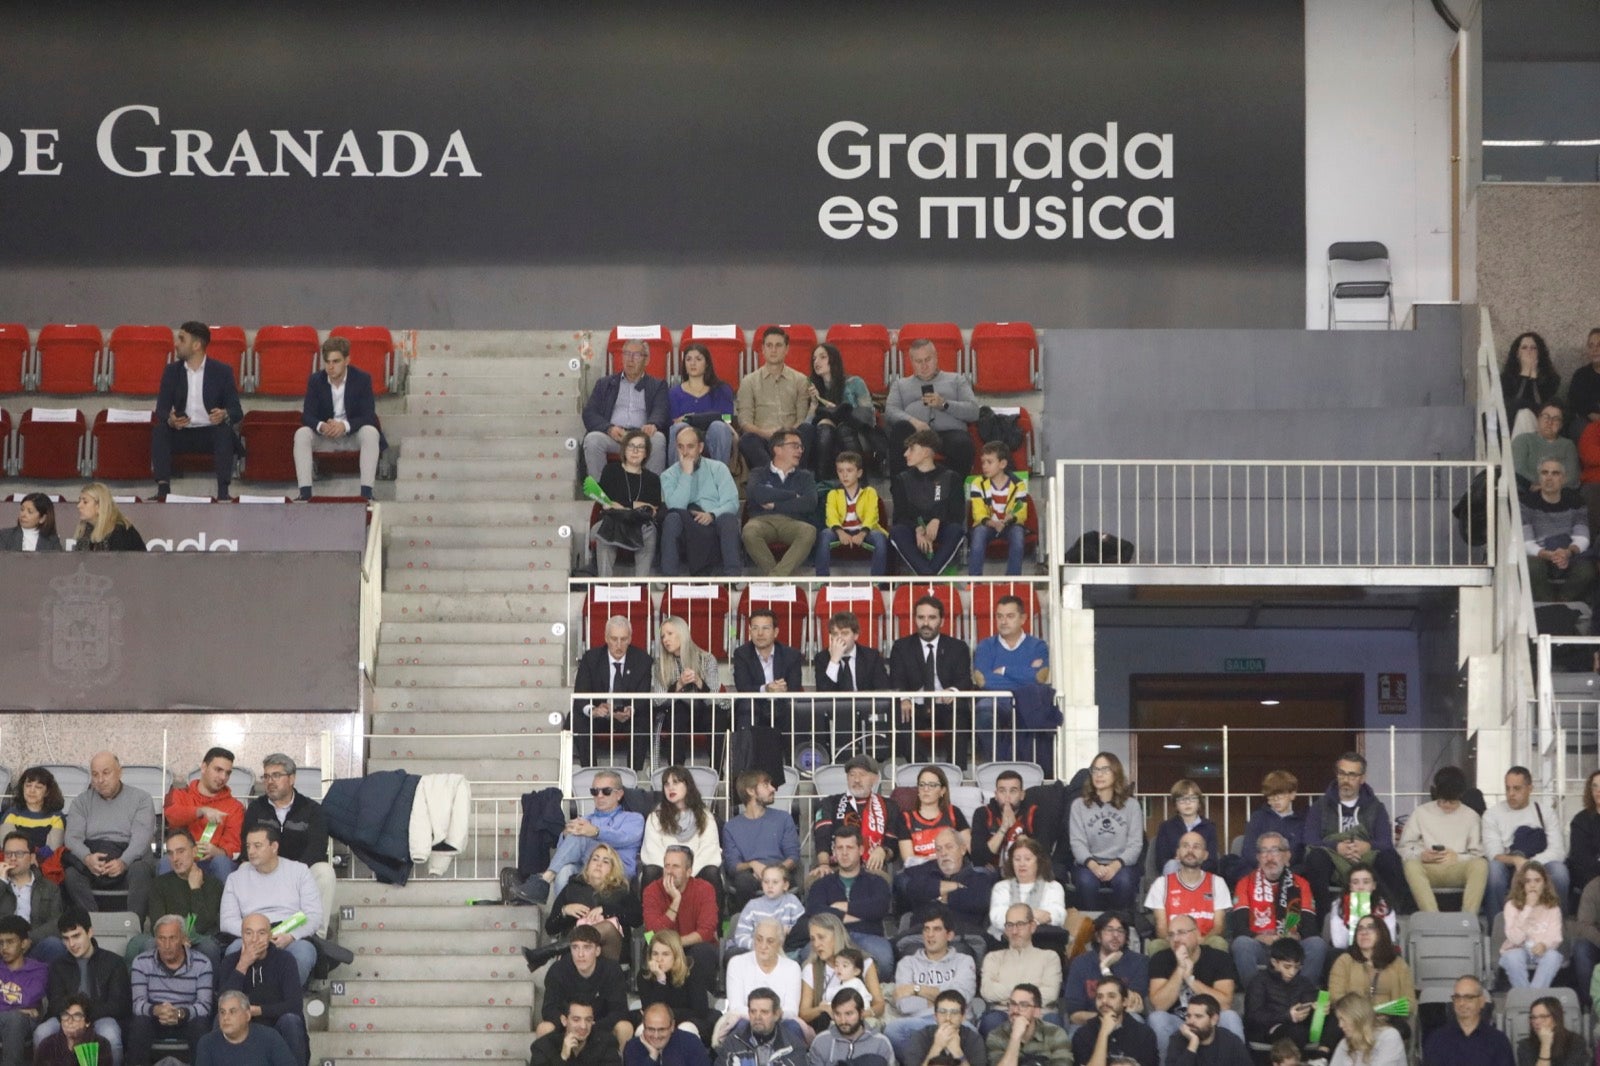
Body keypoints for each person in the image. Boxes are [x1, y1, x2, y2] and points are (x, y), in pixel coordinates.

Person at [507, 769, 642, 910]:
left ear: (619, 794)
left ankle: (545, 880)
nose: (599, 796)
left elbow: (624, 837)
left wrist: (595, 832)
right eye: (595, 792)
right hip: (587, 868)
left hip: (618, 870)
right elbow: (564, 852)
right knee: (565, 869)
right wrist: (565, 835)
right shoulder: (585, 819)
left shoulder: (633, 818)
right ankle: (564, 918)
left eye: (606, 791)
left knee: (580, 835)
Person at [1301, 753, 1410, 918]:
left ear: (1362, 778)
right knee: (1315, 858)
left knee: (1390, 858)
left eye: (1352, 775)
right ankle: (1322, 920)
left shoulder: (1376, 807)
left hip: (1365, 860)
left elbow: (1385, 842)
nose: (1346, 779)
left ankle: (1391, 918)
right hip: (1333, 861)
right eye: (1342, 773)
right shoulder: (1320, 806)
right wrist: (1336, 847)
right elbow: (1309, 838)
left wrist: (1367, 847)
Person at [243, 754, 334, 938]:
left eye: (276, 775)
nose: (270, 781)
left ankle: (317, 936)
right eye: (266, 776)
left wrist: (291, 875)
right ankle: (253, 931)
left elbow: (316, 848)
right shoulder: (255, 809)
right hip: (265, 872)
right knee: (245, 867)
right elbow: (247, 845)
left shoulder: (312, 810)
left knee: (325, 871)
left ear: (292, 779)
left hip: (301, 874)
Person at [219, 825, 323, 987]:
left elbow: (313, 915)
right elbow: (226, 921)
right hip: (251, 935)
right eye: (248, 846)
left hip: (288, 934)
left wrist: (291, 936)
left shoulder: (299, 871)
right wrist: (258, 935)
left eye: (257, 846)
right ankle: (244, 1005)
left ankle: (286, 1003)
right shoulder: (235, 879)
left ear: (274, 847)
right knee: (234, 950)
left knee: (304, 953)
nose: (251, 851)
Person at [151, 321, 244, 500]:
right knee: (160, 430)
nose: (176, 344)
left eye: (181, 339)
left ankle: (223, 492)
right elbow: (161, 410)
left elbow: (236, 411)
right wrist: (170, 419)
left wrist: (224, 414)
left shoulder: (222, 371)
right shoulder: (171, 372)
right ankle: (163, 489)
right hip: (181, 433)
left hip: (210, 433)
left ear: (196, 345)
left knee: (224, 431)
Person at [61, 752, 155, 920]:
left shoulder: (141, 799)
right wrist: (87, 858)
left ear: (120, 772)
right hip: (92, 859)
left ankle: (133, 927)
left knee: (141, 870)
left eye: (106, 773)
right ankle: (92, 923)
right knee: (70, 875)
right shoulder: (81, 801)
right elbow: (72, 838)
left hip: (128, 857)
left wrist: (123, 862)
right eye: (95, 774)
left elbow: (142, 838)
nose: (100, 780)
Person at [1227, 831, 1325, 991]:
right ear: (1258, 858)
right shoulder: (1245, 883)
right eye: (1264, 852)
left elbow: (1310, 927)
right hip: (1261, 945)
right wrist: (1262, 938)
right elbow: (1239, 927)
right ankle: (1256, 995)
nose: (1269, 857)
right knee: (1241, 944)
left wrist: (1294, 936)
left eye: (1275, 850)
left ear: (1287, 856)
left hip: (1292, 945)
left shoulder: (1301, 884)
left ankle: (1299, 994)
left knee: (1317, 944)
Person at [293, 334, 384, 500]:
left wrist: (345, 426)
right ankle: (305, 493)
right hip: (325, 437)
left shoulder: (362, 379)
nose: (330, 366)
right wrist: (322, 426)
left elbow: (368, 415)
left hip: (352, 435)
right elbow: (307, 416)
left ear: (347, 360)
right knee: (302, 434)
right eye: (327, 362)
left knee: (371, 432)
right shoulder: (316, 380)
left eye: (336, 361)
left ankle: (366, 494)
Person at [34, 911, 129, 1066]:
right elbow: (55, 1004)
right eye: (66, 938)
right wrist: (72, 1018)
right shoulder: (58, 965)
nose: (71, 944)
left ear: (90, 932)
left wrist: (83, 1016)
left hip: (102, 1017)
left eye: (76, 936)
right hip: (65, 1017)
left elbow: (119, 1005)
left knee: (110, 1034)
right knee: (42, 1033)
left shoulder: (114, 962)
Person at [883, 906, 977, 1061]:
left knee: (971, 1033)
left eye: (937, 929)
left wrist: (916, 989)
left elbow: (960, 998)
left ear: (950, 935)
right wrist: (944, 997)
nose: (930, 935)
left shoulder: (964, 961)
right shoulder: (907, 963)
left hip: (956, 1022)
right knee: (891, 1031)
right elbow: (905, 1005)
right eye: (926, 929)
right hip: (919, 1023)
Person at [887, 596, 972, 765]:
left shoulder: (958, 647)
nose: (926, 623)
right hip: (914, 705)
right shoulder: (901, 646)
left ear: (942, 620)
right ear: (915, 619)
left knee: (959, 711)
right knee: (898, 713)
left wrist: (953, 691)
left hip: (945, 704)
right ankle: (920, 768)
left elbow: (965, 680)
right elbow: (896, 678)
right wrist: (904, 698)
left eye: (932, 617)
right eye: (921, 617)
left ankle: (956, 770)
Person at [799, 828, 894, 978]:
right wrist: (853, 916)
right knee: (806, 956)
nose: (844, 853)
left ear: (861, 850)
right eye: (839, 848)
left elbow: (880, 907)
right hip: (831, 937)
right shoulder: (821, 883)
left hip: (868, 936)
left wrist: (844, 907)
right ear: (834, 851)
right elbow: (815, 911)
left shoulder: (877, 881)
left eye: (849, 847)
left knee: (884, 959)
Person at [1145, 915, 1244, 1058]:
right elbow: (1159, 1005)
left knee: (1230, 1017)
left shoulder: (1219, 958)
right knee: (1157, 1018)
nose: (1176, 939)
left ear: (1197, 934)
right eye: (1171, 935)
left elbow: (1224, 1004)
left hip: (1209, 1021)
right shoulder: (1160, 959)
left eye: (1181, 932)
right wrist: (1180, 969)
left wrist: (1190, 980)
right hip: (1177, 1021)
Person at [220, 912, 309, 1066]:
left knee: (291, 1020)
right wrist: (243, 964)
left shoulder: (285, 960)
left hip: (276, 1023)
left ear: (269, 936)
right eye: (249, 933)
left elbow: (294, 1005)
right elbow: (223, 1003)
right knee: (221, 1020)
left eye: (261, 933)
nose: (254, 939)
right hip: (244, 1026)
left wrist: (257, 1010)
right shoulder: (230, 961)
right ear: (242, 936)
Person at [971, 597, 1051, 764]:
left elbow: (1039, 677)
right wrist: (1026, 674)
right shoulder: (986, 646)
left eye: (1010, 616)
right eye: (999, 616)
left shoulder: (1038, 646)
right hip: (995, 701)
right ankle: (997, 765)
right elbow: (983, 681)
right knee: (983, 712)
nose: (1003, 621)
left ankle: (1034, 769)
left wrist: (1004, 671)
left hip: (1028, 701)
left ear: (1023, 618)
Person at [1399, 765, 1488, 913]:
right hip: (1429, 867)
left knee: (1481, 866)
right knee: (1410, 866)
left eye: (1452, 802)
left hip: (1457, 869)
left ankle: (1468, 918)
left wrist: (1457, 857)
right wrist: (1421, 854)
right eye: (1443, 801)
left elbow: (1478, 853)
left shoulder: (1471, 816)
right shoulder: (1421, 813)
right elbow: (1404, 847)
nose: (1447, 805)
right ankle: (1432, 916)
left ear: (1460, 796)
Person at [125, 914, 212, 1066]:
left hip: (186, 1018)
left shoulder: (202, 963)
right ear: (155, 940)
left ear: (183, 939)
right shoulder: (141, 962)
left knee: (201, 1025)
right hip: (155, 1018)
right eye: (161, 938)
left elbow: (205, 1006)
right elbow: (138, 1004)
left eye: (172, 938)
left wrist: (180, 1013)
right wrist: (156, 1010)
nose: (166, 945)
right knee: (138, 1025)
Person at [885, 339, 979, 478]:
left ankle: (949, 488)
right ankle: (902, 491)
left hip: (949, 434)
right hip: (915, 434)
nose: (924, 366)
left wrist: (944, 404)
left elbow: (974, 412)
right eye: (918, 361)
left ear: (936, 357)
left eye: (927, 359)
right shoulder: (900, 384)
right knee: (900, 430)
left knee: (962, 444)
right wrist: (914, 422)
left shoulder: (957, 380)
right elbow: (890, 411)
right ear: (911, 362)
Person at [1483, 766, 1569, 916]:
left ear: (1530, 788)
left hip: (1540, 861)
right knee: (1494, 870)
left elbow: (1558, 851)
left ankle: (1556, 926)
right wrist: (1515, 860)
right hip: (1508, 864)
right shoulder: (1492, 814)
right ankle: (1496, 929)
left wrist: (1530, 864)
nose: (1511, 794)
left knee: (1560, 872)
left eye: (1517, 788)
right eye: (1507, 788)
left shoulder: (1545, 812)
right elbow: (1493, 854)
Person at [132, 829, 222, 971]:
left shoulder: (213, 884)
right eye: (171, 853)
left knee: (209, 947)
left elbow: (203, 925)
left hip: (200, 940)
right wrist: (178, 938)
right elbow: (158, 922)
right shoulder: (159, 884)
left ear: (194, 851)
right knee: (148, 944)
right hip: (168, 938)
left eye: (181, 851)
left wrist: (195, 889)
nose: (175, 858)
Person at [570, 616, 653, 769]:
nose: (619, 645)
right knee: (577, 717)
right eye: (614, 639)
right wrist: (593, 710)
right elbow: (580, 695)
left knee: (644, 719)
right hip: (600, 715)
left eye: (624, 639)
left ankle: (634, 774)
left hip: (627, 717)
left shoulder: (643, 660)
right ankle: (589, 771)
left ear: (630, 639)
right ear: (606, 638)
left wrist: (631, 710)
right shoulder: (591, 658)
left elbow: (643, 696)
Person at [659, 427, 743, 577]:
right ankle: (668, 578)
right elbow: (675, 507)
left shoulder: (718, 468)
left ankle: (733, 576)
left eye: (690, 446)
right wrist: (686, 474)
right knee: (672, 518)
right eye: (680, 447)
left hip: (713, 520)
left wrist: (712, 514)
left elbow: (732, 503)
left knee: (729, 520)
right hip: (687, 523)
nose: (685, 453)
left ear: (700, 447)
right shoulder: (668, 475)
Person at [535, 926, 633, 1052]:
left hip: (600, 1026)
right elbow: (549, 1009)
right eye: (575, 947)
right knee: (544, 1028)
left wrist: (590, 1026)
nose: (580, 954)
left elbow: (619, 1011)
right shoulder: (558, 970)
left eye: (587, 947)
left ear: (597, 951)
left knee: (625, 1027)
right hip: (567, 1027)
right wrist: (571, 1025)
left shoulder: (612, 970)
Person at [582, 338, 669, 478]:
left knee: (658, 439)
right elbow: (589, 413)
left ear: (646, 360)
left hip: (642, 435)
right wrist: (609, 428)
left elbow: (661, 410)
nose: (630, 359)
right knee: (592, 439)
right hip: (614, 435)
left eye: (636, 355)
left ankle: (652, 493)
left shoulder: (657, 385)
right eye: (627, 354)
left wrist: (652, 423)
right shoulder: (604, 384)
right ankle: (601, 494)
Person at [542, 845, 643, 964]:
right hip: (575, 959)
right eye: (595, 859)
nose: (599, 864)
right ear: (588, 864)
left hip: (610, 957)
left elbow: (638, 919)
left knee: (606, 927)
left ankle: (553, 950)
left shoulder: (622, 890)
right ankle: (561, 949)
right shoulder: (572, 888)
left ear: (613, 868)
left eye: (605, 861)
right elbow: (550, 928)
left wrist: (606, 910)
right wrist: (565, 911)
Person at [1069, 752, 1144, 911]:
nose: (1099, 775)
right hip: (1088, 865)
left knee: (1124, 882)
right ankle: (1091, 929)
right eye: (1095, 770)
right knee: (1086, 883)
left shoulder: (1131, 805)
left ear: (1116, 773)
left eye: (1105, 770)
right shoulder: (1079, 805)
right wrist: (1094, 866)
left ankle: (1121, 927)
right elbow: (1077, 843)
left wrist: (1115, 866)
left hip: (1122, 865)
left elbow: (1135, 844)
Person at [735, 327, 815, 473]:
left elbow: (801, 418)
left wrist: (787, 436)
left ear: (786, 349)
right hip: (763, 439)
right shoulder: (749, 381)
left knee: (807, 429)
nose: (773, 350)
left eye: (778, 345)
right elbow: (745, 422)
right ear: (763, 349)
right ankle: (775, 477)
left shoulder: (800, 380)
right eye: (769, 345)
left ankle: (794, 476)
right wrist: (766, 433)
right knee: (747, 440)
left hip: (792, 437)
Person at [811, 757, 900, 887]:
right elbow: (822, 837)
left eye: (862, 775)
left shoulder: (889, 806)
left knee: (881, 883)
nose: (856, 780)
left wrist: (883, 851)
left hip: (871, 868)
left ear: (875, 779)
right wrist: (824, 864)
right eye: (852, 775)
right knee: (815, 881)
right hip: (835, 866)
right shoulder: (830, 803)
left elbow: (892, 842)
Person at [742, 428, 818, 577]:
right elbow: (755, 494)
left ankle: (775, 578)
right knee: (749, 531)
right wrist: (793, 495)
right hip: (762, 521)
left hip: (793, 522)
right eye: (795, 446)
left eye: (801, 447)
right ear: (778, 449)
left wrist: (776, 504)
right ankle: (782, 579)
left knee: (809, 531)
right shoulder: (758, 473)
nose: (800, 451)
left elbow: (810, 503)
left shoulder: (805, 476)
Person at [811, 611, 891, 752]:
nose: (839, 638)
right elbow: (823, 694)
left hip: (867, 713)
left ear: (856, 635)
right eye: (835, 634)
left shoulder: (871, 656)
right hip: (835, 715)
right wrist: (834, 661)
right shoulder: (822, 658)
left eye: (845, 633)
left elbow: (883, 690)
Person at [888, 430, 966, 575]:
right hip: (912, 529)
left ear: (925, 452)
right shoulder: (901, 479)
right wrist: (918, 528)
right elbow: (900, 515)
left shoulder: (951, 477)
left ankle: (928, 574)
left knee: (955, 529)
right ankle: (927, 573)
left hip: (942, 528)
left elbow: (957, 513)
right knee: (897, 531)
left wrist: (937, 520)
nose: (905, 454)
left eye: (911, 449)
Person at [161, 746, 244, 881]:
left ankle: (226, 903)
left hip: (213, 861)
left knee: (222, 862)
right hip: (182, 858)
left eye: (228, 773)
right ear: (204, 767)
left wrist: (217, 852)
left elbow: (234, 845)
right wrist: (200, 811)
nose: (223, 777)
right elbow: (172, 815)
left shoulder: (235, 807)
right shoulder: (178, 794)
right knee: (166, 861)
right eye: (218, 770)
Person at [977, 903, 1062, 1035]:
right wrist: (1033, 991)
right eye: (1010, 925)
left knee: (1053, 1022)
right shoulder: (993, 958)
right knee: (990, 1021)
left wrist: (1007, 995)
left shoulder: (1050, 957)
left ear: (1032, 926)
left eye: (1020, 924)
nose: (1014, 931)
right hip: (1004, 1014)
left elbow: (1051, 994)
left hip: (1040, 1014)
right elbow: (987, 991)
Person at [723, 771, 801, 911]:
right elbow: (733, 866)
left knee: (779, 880)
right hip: (750, 877)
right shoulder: (731, 827)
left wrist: (773, 872)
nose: (772, 789)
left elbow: (793, 857)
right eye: (766, 785)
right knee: (743, 881)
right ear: (751, 791)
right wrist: (752, 864)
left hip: (780, 872)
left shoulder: (783, 819)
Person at [1326, 917, 1413, 1042]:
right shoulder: (1344, 960)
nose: (1363, 932)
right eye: (1360, 929)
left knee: (1400, 1030)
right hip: (1353, 1017)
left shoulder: (1398, 964)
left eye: (1370, 928)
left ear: (1381, 933)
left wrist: (1383, 1014)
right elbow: (1336, 996)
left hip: (1387, 1019)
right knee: (1336, 1024)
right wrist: (1364, 1014)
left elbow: (1409, 1003)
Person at [589, 429, 663, 577]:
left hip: (639, 524)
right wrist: (635, 505)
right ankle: (604, 585)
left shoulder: (653, 479)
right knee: (604, 530)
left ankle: (641, 586)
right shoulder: (610, 471)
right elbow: (606, 503)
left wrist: (623, 505)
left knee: (650, 531)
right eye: (631, 446)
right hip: (611, 520)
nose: (635, 451)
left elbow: (652, 510)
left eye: (640, 447)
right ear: (624, 450)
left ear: (646, 453)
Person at [897, 829, 995, 940]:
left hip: (963, 938)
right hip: (920, 938)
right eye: (939, 849)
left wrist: (937, 893)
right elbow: (912, 889)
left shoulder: (979, 878)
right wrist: (956, 887)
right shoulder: (923, 872)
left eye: (949, 847)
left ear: (963, 849)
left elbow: (980, 901)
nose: (943, 853)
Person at [642, 846, 721, 983]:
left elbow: (706, 932)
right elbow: (653, 932)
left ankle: (703, 997)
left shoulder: (705, 889)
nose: (670, 871)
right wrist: (676, 901)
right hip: (661, 945)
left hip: (693, 945)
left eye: (676, 866)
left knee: (704, 951)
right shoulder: (652, 890)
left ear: (688, 871)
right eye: (667, 866)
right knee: (653, 949)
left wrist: (675, 944)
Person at [1523, 457, 1596, 602]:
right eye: (1544, 473)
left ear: (1563, 478)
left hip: (1568, 552)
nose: (1549, 478)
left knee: (1587, 570)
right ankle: (1547, 603)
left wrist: (1568, 552)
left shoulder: (1576, 500)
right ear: (1539, 477)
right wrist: (1547, 554)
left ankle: (1563, 601)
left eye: (1555, 473)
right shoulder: (1526, 502)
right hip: (1539, 554)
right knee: (1531, 567)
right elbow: (1525, 541)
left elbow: (1582, 536)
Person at [654, 616, 722, 770]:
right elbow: (657, 701)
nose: (666, 639)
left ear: (682, 633)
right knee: (678, 709)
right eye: (663, 636)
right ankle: (677, 771)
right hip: (676, 715)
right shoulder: (660, 664)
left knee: (717, 715)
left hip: (703, 712)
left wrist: (698, 681)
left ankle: (717, 772)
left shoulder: (707, 659)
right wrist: (679, 685)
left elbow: (715, 699)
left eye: (670, 633)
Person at [798, 915, 886, 1032]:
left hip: (861, 1026)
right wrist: (822, 1009)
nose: (816, 944)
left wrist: (861, 1015)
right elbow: (804, 1013)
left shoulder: (864, 962)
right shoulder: (811, 969)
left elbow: (879, 1004)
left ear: (836, 936)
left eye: (821, 937)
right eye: (813, 939)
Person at [1146, 831, 1230, 952]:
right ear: (1178, 853)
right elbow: (1161, 929)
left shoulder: (1217, 882)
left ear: (1205, 855)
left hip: (1204, 943)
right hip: (1173, 944)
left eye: (1196, 847)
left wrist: (1198, 942)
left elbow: (1219, 926)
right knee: (1156, 946)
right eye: (1185, 846)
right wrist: (1178, 943)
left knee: (1219, 943)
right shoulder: (1161, 884)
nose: (1190, 851)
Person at [1064, 912, 1151, 1027]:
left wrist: (1105, 970)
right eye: (1109, 930)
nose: (1115, 935)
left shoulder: (1139, 962)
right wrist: (1104, 1019)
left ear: (1126, 938)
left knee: (1135, 1020)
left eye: (1120, 931)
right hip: (1089, 1025)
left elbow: (1131, 1004)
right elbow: (1075, 1014)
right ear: (1098, 937)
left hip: (1126, 1025)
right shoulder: (1080, 963)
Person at [721, 920, 803, 1040]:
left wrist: (766, 1017)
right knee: (741, 1025)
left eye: (770, 941)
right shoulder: (736, 963)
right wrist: (767, 1015)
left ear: (780, 943)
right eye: (759, 939)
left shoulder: (792, 967)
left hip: (780, 1022)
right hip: (747, 1021)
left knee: (792, 1027)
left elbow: (791, 1010)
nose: (763, 946)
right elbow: (736, 1008)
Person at [640, 770, 723, 888]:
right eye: (666, 784)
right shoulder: (655, 817)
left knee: (711, 872)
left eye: (676, 782)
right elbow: (653, 852)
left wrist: (687, 874)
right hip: (665, 873)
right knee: (650, 871)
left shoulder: (705, 816)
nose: (670, 788)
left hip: (694, 872)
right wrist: (671, 872)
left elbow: (708, 852)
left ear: (688, 786)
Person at [814, 451, 889, 577]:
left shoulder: (869, 492)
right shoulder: (833, 494)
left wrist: (862, 533)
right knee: (824, 535)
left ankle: (877, 581)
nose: (844, 475)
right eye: (840, 471)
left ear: (859, 473)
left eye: (849, 470)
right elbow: (831, 516)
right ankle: (822, 579)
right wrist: (840, 532)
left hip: (866, 530)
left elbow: (872, 515)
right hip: (840, 530)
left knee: (879, 538)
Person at [731, 608, 806, 733]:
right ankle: (746, 752)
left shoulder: (791, 655)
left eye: (765, 628)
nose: (760, 633)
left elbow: (794, 688)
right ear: (749, 631)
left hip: (782, 704)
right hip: (755, 705)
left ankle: (791, 752)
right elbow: (743, 688)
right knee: (746, 706)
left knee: (794, 708)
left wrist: (783, 689)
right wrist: (766, 689)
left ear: (775, 632)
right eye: (755, 628)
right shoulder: (742, 654)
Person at [807, 342, 876, 478]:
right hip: (824, 435)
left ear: (833, 359)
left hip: (855, 431)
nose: (817, 362)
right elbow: (807, 425)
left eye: (822, 357)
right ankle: (823, 484)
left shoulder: (855, 382)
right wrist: (814, 404)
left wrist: (840, 415)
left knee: (844, 429)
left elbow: (868, 415)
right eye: (814, 359)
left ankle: (860, 482)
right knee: (825, 428)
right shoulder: (812, 388)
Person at [987, 837, 1069, 950]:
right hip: (1006, 941)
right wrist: (1031, 915)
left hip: (1042, 941)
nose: (1022, 864)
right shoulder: (1001, 887)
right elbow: (997, 918)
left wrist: (1015, 918)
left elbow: (1057, 916)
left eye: (1027, 859)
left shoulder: (1053, 887)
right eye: (1017, 859)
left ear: (1038, 861)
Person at [1224, 771, 1304, 885]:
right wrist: (1265, 865)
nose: (1275, 799)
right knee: (1231, 863)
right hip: (1258, 868)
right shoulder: (1258, 817)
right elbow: (1248, 849)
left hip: (1287, 871)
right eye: (1271, 795)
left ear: (1292, 794)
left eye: (1280, 794)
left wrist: (1278, 866)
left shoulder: (1300, 822)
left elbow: (1297, 852)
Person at [1242, 939, 1318, 1054]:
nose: (1292, 972)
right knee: (1297, 1032)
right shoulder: (1259, 981)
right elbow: (1253, 1016)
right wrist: (1287, 1016)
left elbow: (1309, 1003)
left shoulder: (1304, 982)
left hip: (1299, 1028)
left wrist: (1318, 1009)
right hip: (1268, 1030)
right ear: (1274, 962)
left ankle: (1322, 1056)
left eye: (1296, 967)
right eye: (1287, 967)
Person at [633, 937, 714, 1045]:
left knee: (685, 1030)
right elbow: (651, 1011)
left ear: (676, 955)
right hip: (658, 1023)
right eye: (655, 954)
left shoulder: (692, 971)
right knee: (641, 1031)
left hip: (689, 1021)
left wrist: (667, 1016)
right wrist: (660, 980)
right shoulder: (644, 976)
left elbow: (700, 1011)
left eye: (665, 954)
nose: (659, 959)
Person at [1420, 975, 1514, 1066]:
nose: (1461, 1003)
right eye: (1457, 997)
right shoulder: (1436, 1041)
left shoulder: (1498, 1042)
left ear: (1481, 1002)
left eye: (1468, 998)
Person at [1498, 860, 1563, 988]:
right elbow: (1515, 938)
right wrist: (1528, 907)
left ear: (1545, 883)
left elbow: (1555, 936)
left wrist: (1544, 945)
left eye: (1537, 880)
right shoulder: (1511, 906)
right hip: (1516, 949)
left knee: (1554, 956)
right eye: (1528, 881)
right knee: (1513, 957)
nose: (1532, 885)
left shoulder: (1553, 908)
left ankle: (1532, 998)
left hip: (1542, 950)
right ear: (1522, 884)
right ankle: (1528, 998)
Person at [967, 442, 1029, 576]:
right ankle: (974, 581)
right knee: (979, 534)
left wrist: (1009, 519)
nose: (984, 466)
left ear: (1002, 464)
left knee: (1018, 534)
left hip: (1009, 525)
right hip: (987, 525)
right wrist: (993, 523)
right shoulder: (978, 483)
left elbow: (1021, 511)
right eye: (983, 462)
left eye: (989, 462)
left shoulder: (1018, 484)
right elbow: (978, 513)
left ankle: (1012, 581)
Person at [0, 832, 63, 963]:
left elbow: (56, 923)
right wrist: (2, 882)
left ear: (32, 857)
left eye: (19, 854)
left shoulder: (49, 887)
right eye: (8, 854)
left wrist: (28, 938)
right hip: (2, 946)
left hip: (34, 945)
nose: (12, 858)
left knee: (54, 945)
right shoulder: (1, 884)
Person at [669, 343, 736, 464]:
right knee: (678, 428)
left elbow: (727, 418)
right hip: (686, 438)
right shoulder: (674, 393)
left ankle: (718, 477)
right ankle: (679, 477)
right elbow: (673, 422)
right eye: (688, 359)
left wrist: (691, 418)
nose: (692, 363)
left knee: (719, 426)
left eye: (698, 359)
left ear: (707, 364)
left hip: (713, 437)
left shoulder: (722, 389)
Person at [194, 989, 296, 1066]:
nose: (226, 1017)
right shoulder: (207, 1043)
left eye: (232, 1012)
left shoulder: (270, 1038)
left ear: (247, 1015)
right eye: (222, 1012)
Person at [1073, 976, 1159, 1066]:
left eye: (1111, 996)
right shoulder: (1083, 1034)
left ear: (1124, 1001)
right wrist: (1103, 1033)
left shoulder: (1143, 1034)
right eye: (1099, 997)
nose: (1104, 1001)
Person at [0, 768, 66, 883]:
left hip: (43, 862)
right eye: (28, 785)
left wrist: (35, 856)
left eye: (38, 787)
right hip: (14, 860)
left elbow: (53, 848)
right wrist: (27, 857)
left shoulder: (56, 817)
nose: (32, 791)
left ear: (47, 792)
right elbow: (6, 845)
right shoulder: (11, 814)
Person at [897, 766, 969, 872]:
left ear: (942, 791)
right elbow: (909, 860)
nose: (926, 789)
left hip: (952, 870)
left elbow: (966, 846)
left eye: (932, 785)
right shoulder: (905, 818)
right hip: (920, 872)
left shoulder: (953, 812)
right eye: (922, 785)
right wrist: (938, 859)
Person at [714, 987, 809, 1066]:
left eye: (764, 1012)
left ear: (776, 1015)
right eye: (753, 1011)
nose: (757, 1017)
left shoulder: (793, 1046)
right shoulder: (733, 1042)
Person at [984, 984, 1071, 1066]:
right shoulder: (997, 1035)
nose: (1015, 1010)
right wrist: (1015, 1038)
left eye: (1023, 1005)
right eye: (1013, 1004)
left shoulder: (1056, 1034)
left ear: (1037, 1012)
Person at [970, 771, 1038, 874]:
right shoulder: (982, 813)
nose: (1007, 797)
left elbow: (1038, 855)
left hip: (1024, 870)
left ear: (1022, 795)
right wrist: (1003, 828)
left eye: (1013, 791)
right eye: (1002, 791)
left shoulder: (1033, 813)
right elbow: (978, 859)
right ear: (996, 795)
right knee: (978, 873)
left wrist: (1015, 827)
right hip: (991, 872)